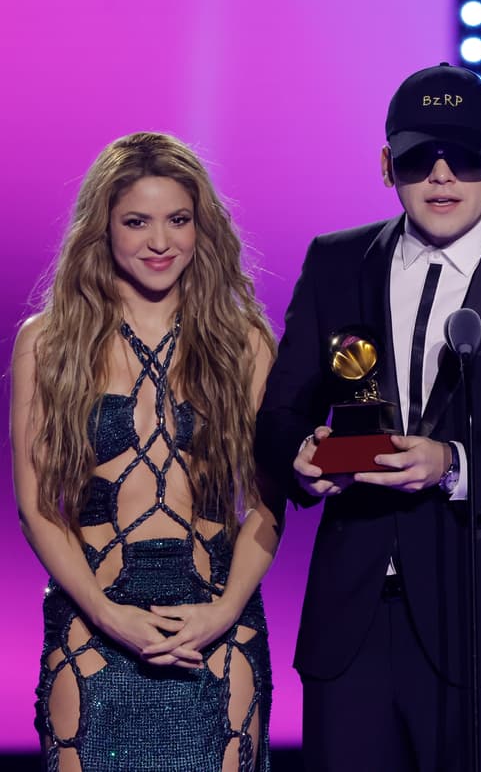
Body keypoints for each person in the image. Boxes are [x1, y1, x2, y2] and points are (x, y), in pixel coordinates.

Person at [254, 62, 481, 770]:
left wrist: (453, 464)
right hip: (351, 624)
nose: (443, 174)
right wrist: (300, 453)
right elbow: (277, 415)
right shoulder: (336, 264)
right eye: (420, 156)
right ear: (387, 164)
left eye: (467, 155)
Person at [11, 132, 280, 770]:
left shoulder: (242, 343)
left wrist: (223, 612)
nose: (160, 242)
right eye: (137, 222)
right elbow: (35, 506)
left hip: (216, 621)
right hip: (94, 622)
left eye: (178, 220)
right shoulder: (48, 344)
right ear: (101, 228)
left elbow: (269, 508)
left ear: (201, 227)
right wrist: (108, 615)